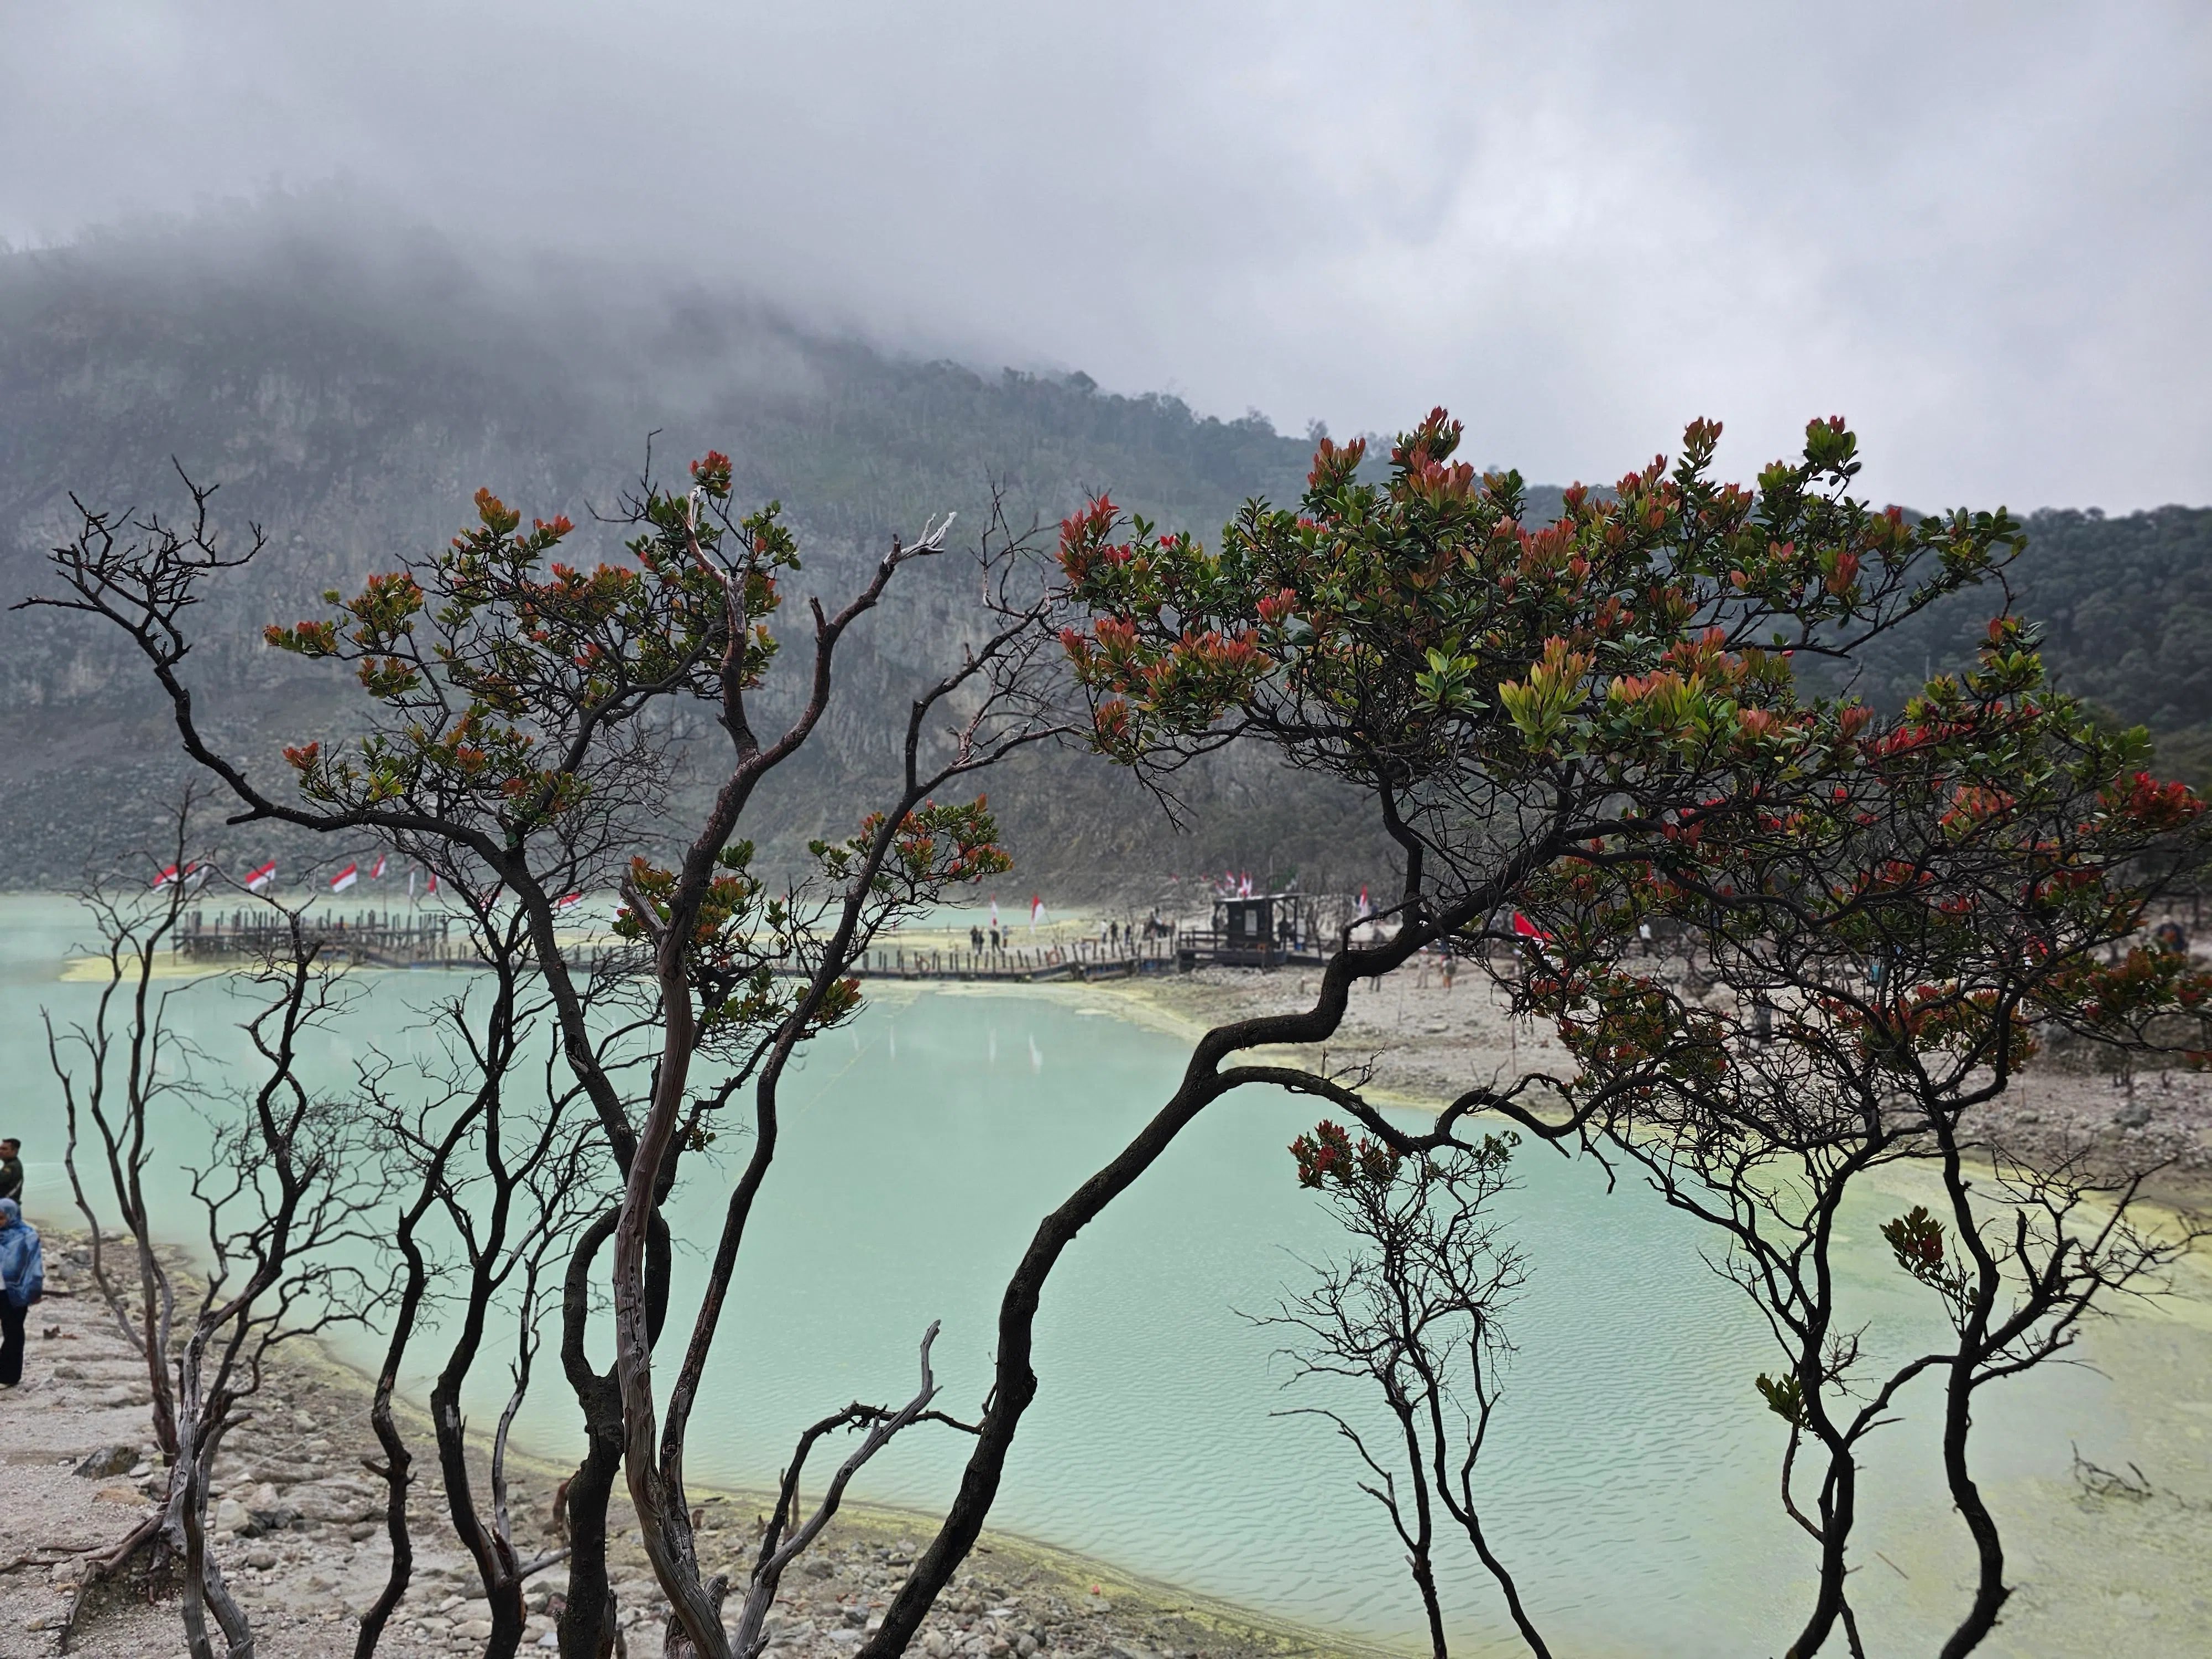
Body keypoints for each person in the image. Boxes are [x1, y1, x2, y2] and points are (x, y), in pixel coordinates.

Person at [0, 1198, 43, 1388]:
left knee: (13, 1333)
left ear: (11, 1216)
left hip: (15, 1292)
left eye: (1, 1218)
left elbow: (35, 1267)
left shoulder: (27, 1236)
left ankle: (8, 1376)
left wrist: (35, 1291)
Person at [0, 1141, 20, 1207]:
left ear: (15, 1151)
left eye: (4, 1149)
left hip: (6, 1207)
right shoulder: (12, 1165)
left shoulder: (12, 1167)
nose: (1, 1151)